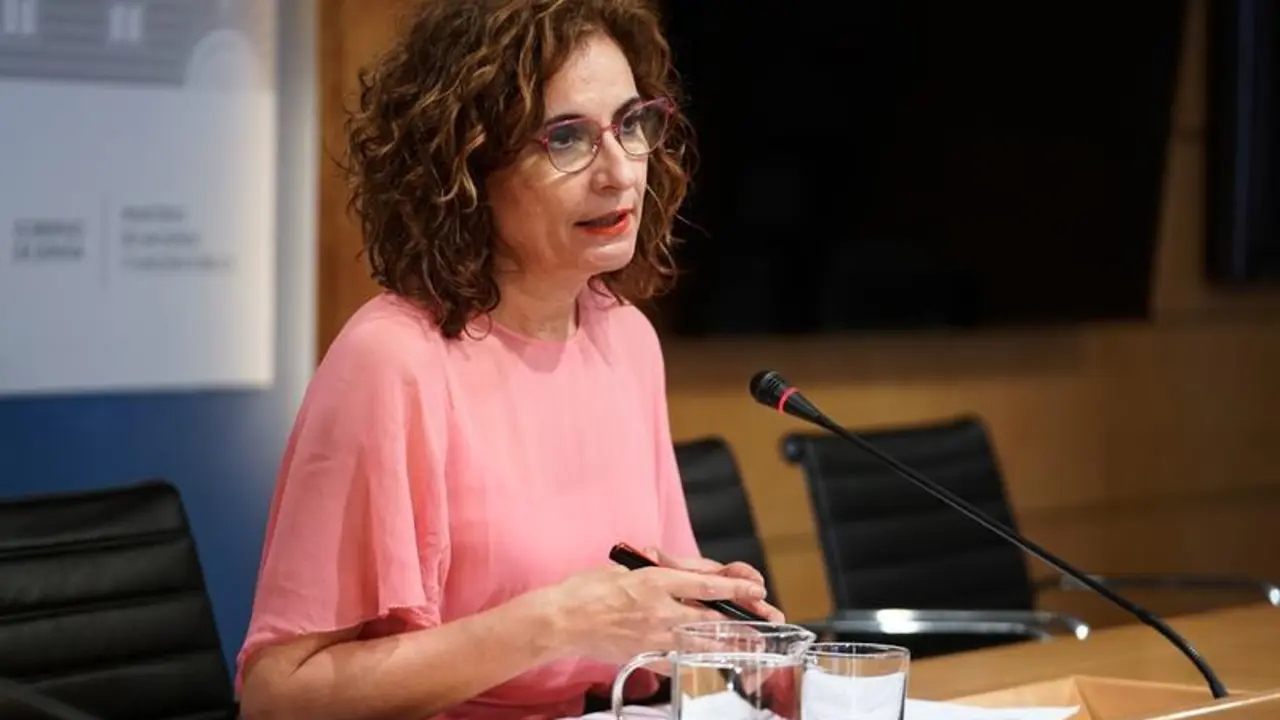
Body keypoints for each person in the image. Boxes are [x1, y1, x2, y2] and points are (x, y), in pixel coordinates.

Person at [235, 1, 784, 718]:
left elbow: (652, 613)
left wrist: (734, 633)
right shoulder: (391, 360)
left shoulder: (625, 338)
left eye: (631, 125)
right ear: (466, 167)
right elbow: (278, 697)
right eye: (566, 138)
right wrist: (556, 623)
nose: (620, 172)